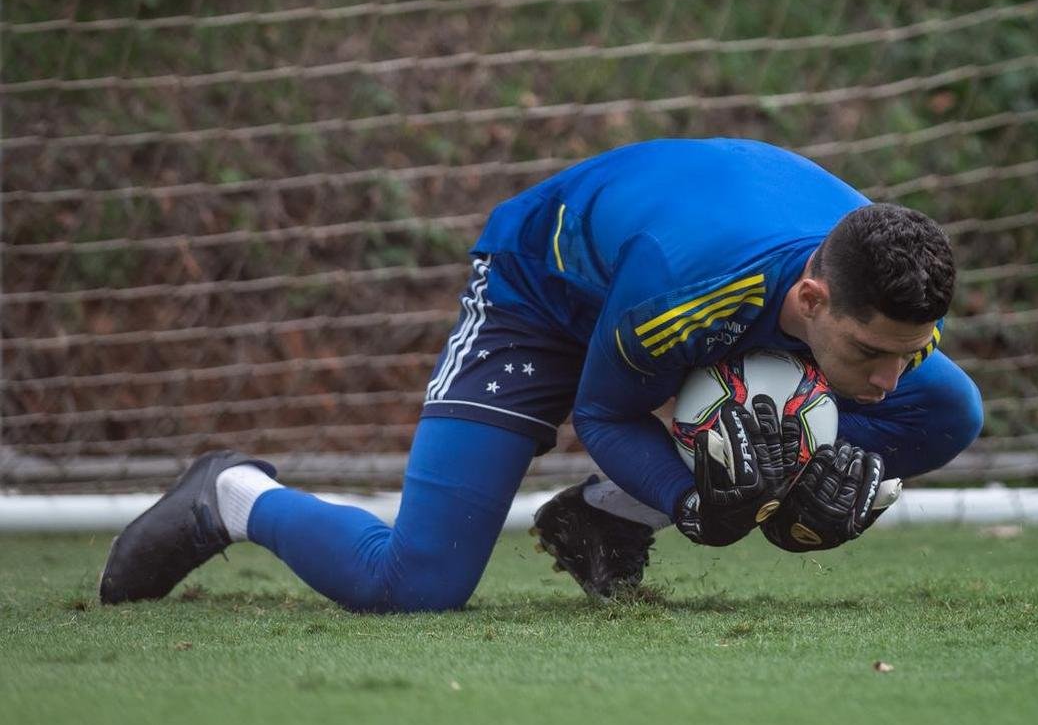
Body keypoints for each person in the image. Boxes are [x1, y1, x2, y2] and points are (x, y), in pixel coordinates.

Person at [99, 138, 983, 612]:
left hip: (693, 292)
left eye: (909, 348)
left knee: (948, 413)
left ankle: (602, 519)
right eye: (872, 353)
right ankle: (231, 496)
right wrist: (694, 504)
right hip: (541, 295)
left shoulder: (889, 299)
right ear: (813, 299)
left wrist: (794, 485)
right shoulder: (685, 292)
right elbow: (599, 418)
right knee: (414, 585)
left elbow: (906, 389)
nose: (886, 379)